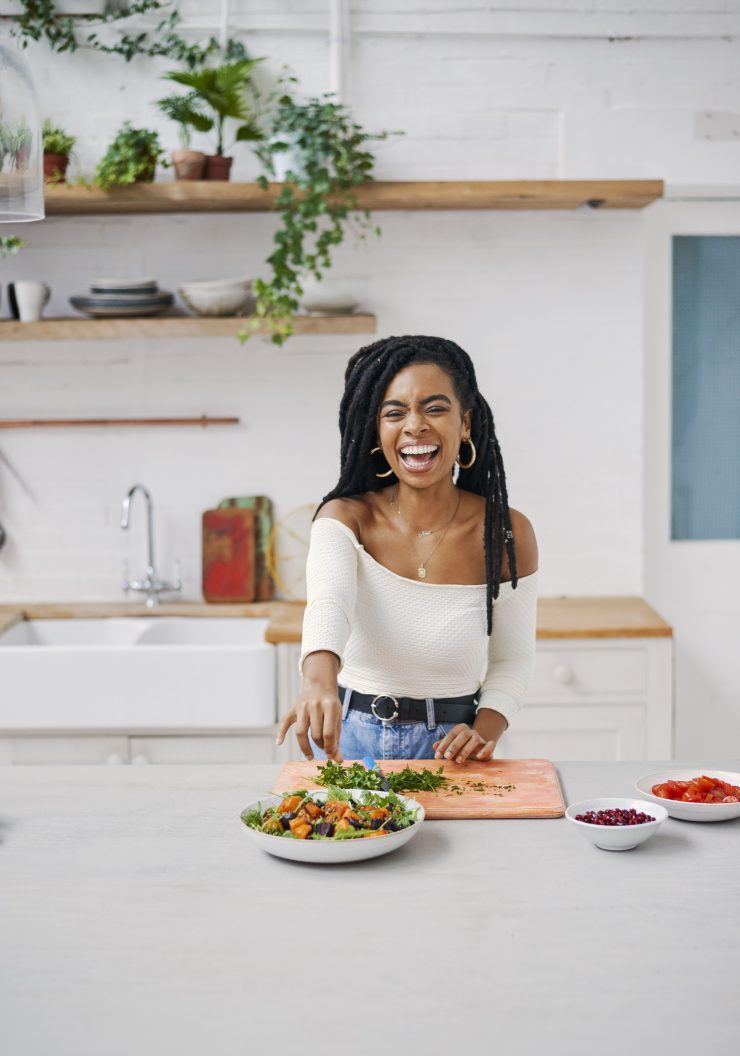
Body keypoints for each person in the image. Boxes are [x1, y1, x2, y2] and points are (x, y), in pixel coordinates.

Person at [276, 334, 539, 764]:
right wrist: (317, 682)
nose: (414, 425)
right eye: (394, 413)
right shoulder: (344, 519)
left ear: (466, 423)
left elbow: (512, 660)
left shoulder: (507, 532)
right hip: (350, 740)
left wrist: (482, 733)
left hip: (455, 749)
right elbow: (329, 604)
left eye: (435, 408)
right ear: (376, 432)